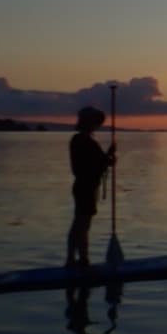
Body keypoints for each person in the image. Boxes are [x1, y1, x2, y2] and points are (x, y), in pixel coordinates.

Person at [66, 106, 115, 267]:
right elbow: (95, 165)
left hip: (84, 186)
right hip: (85, 187)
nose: (97, 125)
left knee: (79, 223)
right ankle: (82, 259)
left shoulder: (79, 140)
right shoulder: (84, 141)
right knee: (82, 224)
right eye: (96, 122)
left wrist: (107, 157)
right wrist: (108, 158)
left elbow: (98, 163)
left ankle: (73, 259)